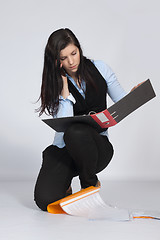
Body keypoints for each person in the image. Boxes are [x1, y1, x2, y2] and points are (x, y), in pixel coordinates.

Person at [34, 28, 134, 211]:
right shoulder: (55, 83)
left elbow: (123, 102)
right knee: (44, 200)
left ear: (79, 49)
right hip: (66, 150)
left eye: (74, 53)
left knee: (77, 131)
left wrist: (135, 96)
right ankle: (66, 186)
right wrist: (64, 91)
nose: (71, 61)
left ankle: (89, 185)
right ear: (56, 61)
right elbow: (62, 126)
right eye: (63, 58)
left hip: (95, 149)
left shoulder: (100, 68)